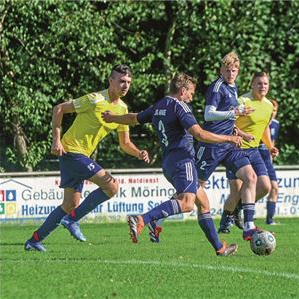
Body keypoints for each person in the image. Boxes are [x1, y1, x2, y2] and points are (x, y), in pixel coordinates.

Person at [102, 73, 240, 256]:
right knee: (187, 204)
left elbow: (134, 118)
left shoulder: (160, 105)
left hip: (169, 162)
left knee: (203, 203)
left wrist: (113, 118)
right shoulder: (180, 106)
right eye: (191, 92)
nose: (192, 96)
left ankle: (220, 248)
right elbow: (199, 134)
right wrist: (229, 138)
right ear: (182, 91)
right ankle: (143, 219)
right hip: (183, 160)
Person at [24, 64, 149, 252]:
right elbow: (59, 109)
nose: (125, 85)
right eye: (121, 81)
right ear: (110, 81)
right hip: (72, 152)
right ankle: (73, 219)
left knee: (70, 204)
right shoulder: (95, 99)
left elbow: (125, 143)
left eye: (129, 82)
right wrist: (56, 141)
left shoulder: (122, 109)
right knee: (111, 186)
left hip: (78, 155)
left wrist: (139, 152)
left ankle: (34, 240)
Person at [195, 51, 266, 241]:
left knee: (250, 177)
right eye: (227, 70)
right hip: (211, 144)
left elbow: (229, 118)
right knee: (192, 188)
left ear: (238, 71)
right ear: (221, 70)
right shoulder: (217, 87)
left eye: (234, 70)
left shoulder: (233, 87)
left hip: (229, 144)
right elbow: (208, 115)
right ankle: (156, 220)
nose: (231, 74)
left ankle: (249, 226)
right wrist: (235, 111)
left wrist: (241, 133)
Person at [217, 72, 279, 233]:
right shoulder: (243, 101)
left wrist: (270, 146)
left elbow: (264, 127)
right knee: (236, 191)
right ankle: (225, 223)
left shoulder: (268, 106)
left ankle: (238, 210)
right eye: (259, 83)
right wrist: (239, 135)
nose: (262, 86)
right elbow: (227, 123)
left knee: (265, 186)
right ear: (252, 84)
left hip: (254, 150)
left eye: (265, 84)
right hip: (236, 149)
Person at [260, 99, 281, 225]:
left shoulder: (276, 124)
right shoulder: (259, 121)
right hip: (256, 158)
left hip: (268, 160)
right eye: (271, 110)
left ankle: (269, 219)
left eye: (275, 110)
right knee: (249, 188)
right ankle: (238, 214)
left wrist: (273, 151)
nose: (272, 113)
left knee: (274, 188)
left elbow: (272, 141)